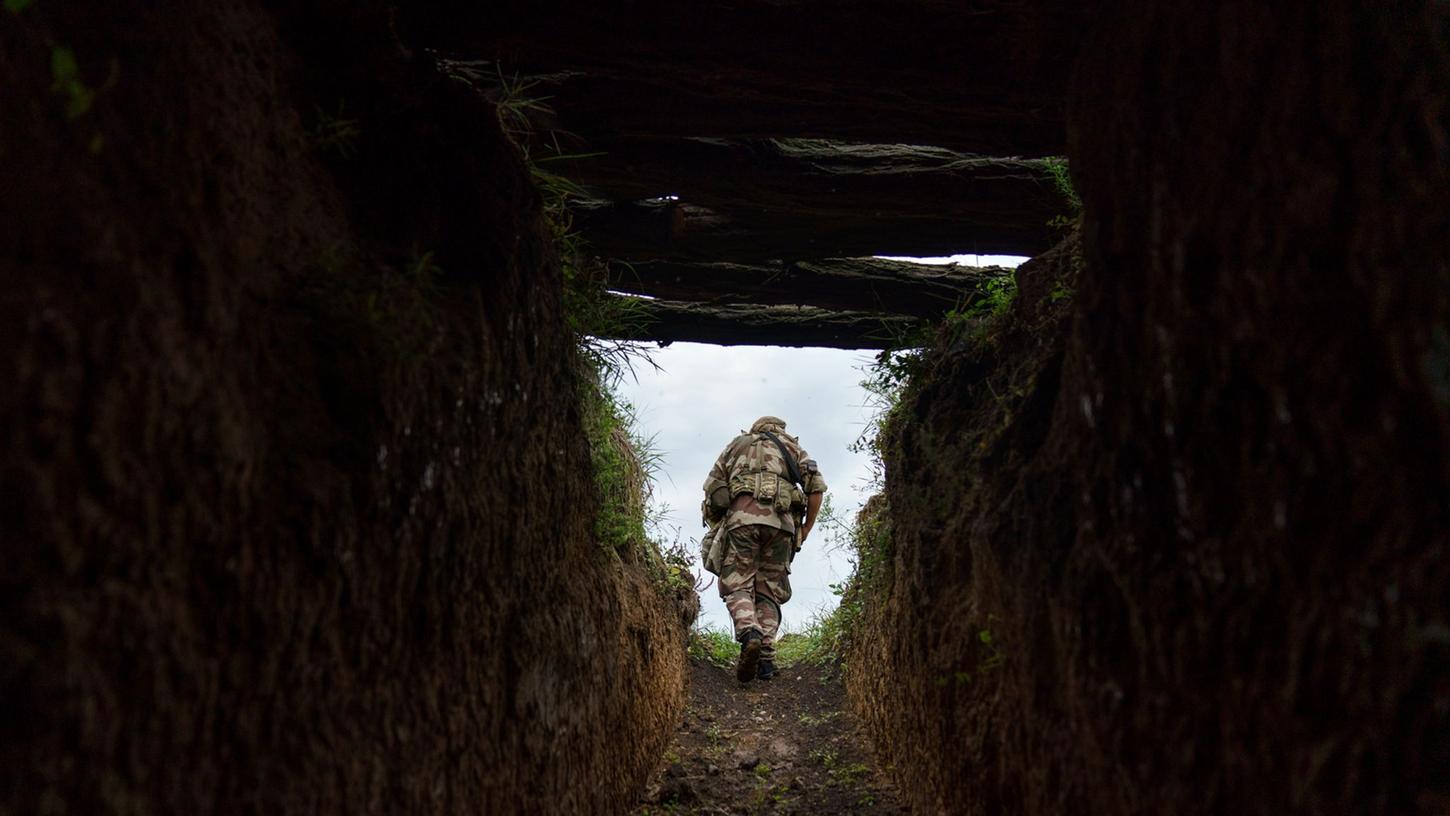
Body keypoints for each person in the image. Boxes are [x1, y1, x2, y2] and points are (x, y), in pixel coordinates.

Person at [702, 416, 827, 682]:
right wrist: (806, 528)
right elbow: (816, 486)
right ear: (780, 430)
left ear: (755, 429)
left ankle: (750, 633)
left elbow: (714, 489)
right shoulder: (792, 447)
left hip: (742, 523)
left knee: (737, 584)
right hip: (782, 526)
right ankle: (766, 660)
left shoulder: (737, 445)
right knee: (769, 590)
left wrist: (718, 522)